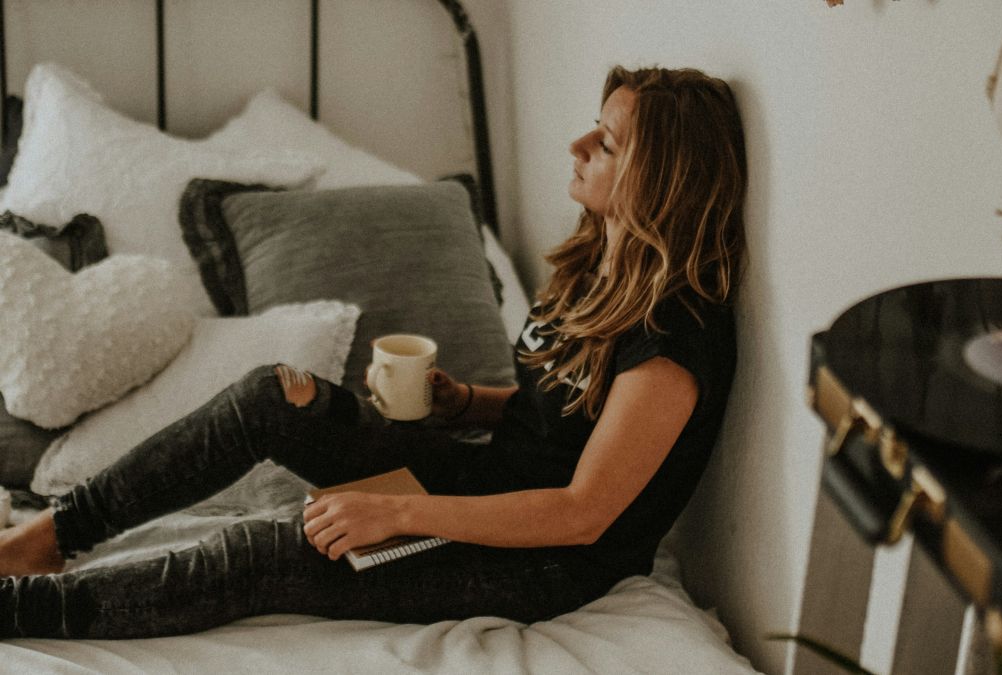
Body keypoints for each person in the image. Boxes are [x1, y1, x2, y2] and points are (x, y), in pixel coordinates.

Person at [0, 65, 747, 639]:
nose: (578, 146)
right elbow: (567, 414)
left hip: (541, 559)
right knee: (273, 396)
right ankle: (48, 535)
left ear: (661, 179)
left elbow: (582, 512)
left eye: (607, 143)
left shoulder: (674, 339)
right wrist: (468, 403)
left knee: (276, 551)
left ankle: (23, 608)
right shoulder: (594, 266)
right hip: (487, 480)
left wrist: (395, 511)